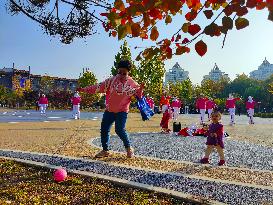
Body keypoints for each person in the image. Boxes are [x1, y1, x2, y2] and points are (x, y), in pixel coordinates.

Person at [78, 60, 144, 158]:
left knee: (119, 130)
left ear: (128, 72)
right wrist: (84, 89)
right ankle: (105, 150)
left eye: (124, 73)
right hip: (109, 110)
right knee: (104, 129)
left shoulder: (132, 84)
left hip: (122, 111)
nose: (121, 75)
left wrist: (141, 89)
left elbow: (138, 95)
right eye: (119, 72)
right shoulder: (111, 81)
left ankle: (129, 148)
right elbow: (98, 87)